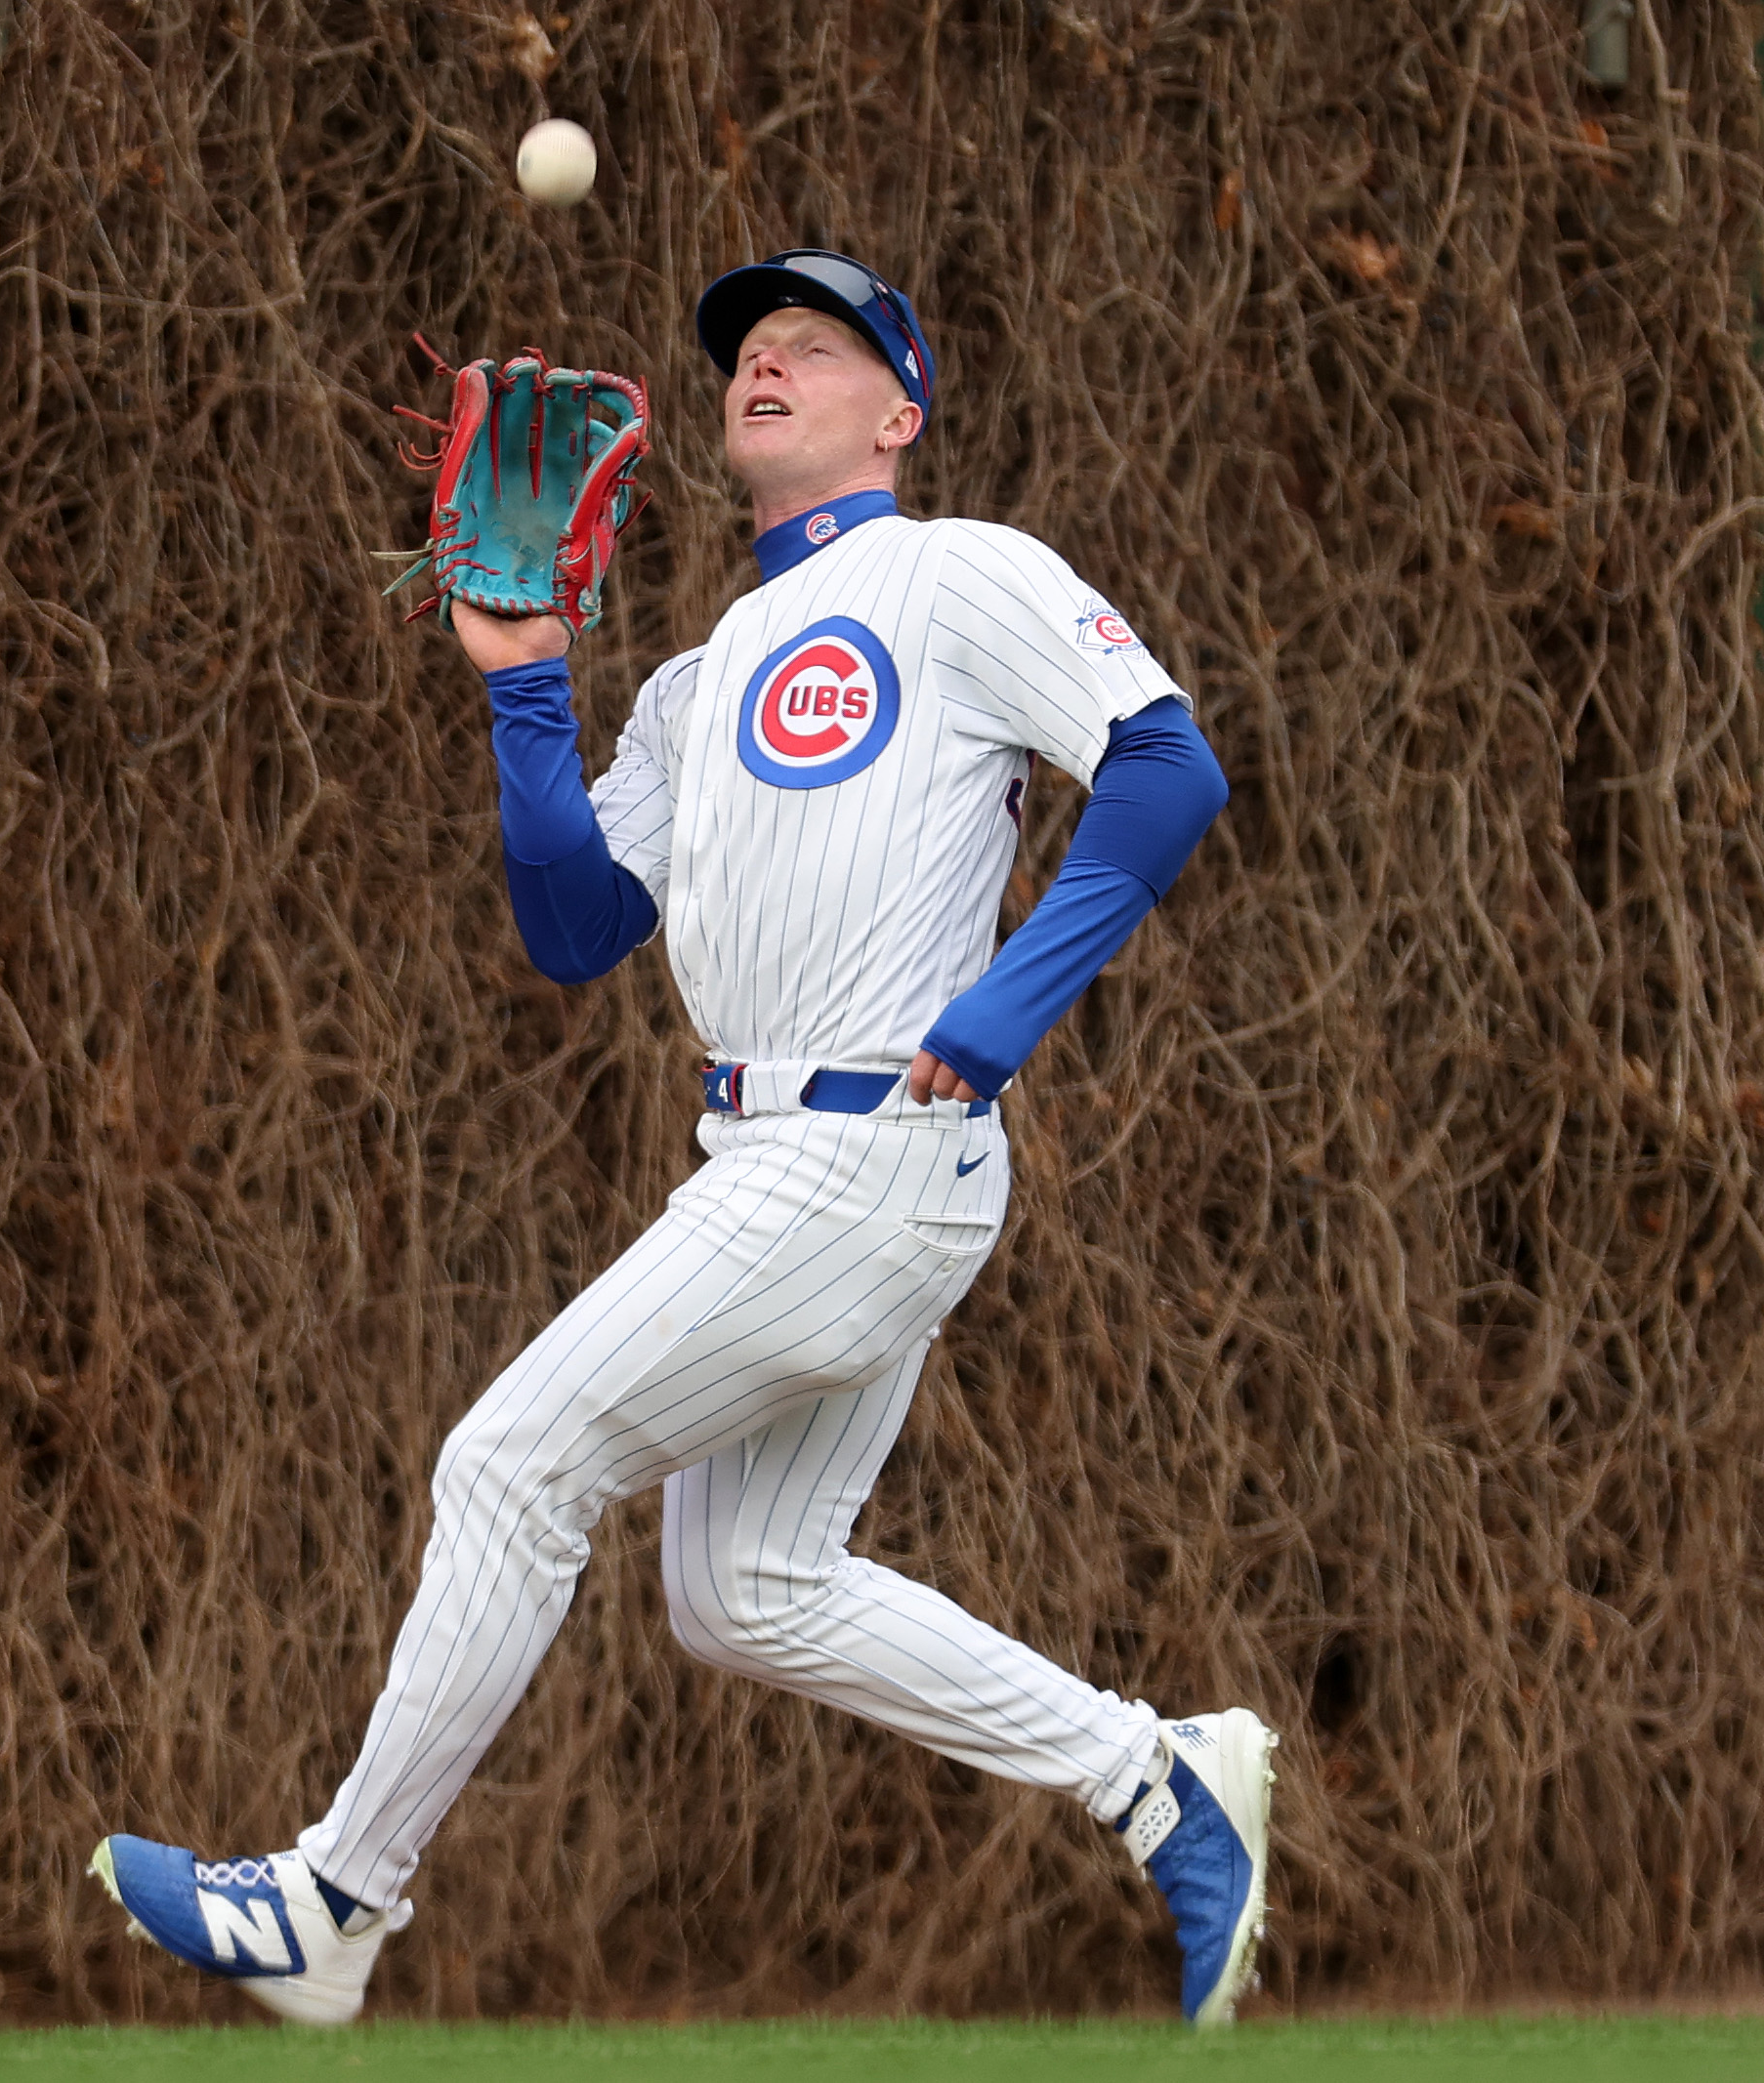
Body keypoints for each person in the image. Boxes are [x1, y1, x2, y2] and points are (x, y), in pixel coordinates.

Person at [88, 249, 1273, 2027]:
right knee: (747, 1586)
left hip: (876, 1144)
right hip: (772, 1157)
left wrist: (1018, 996)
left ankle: (339, 1897)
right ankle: (1155, 1778)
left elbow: (1167, 764)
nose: (769, 365)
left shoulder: (955, 574)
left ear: (903, 409)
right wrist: (523, 679)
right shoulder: (697, 680)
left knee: (508, 1465)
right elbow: (576, 926)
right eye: (749, 350)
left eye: (819, 344)